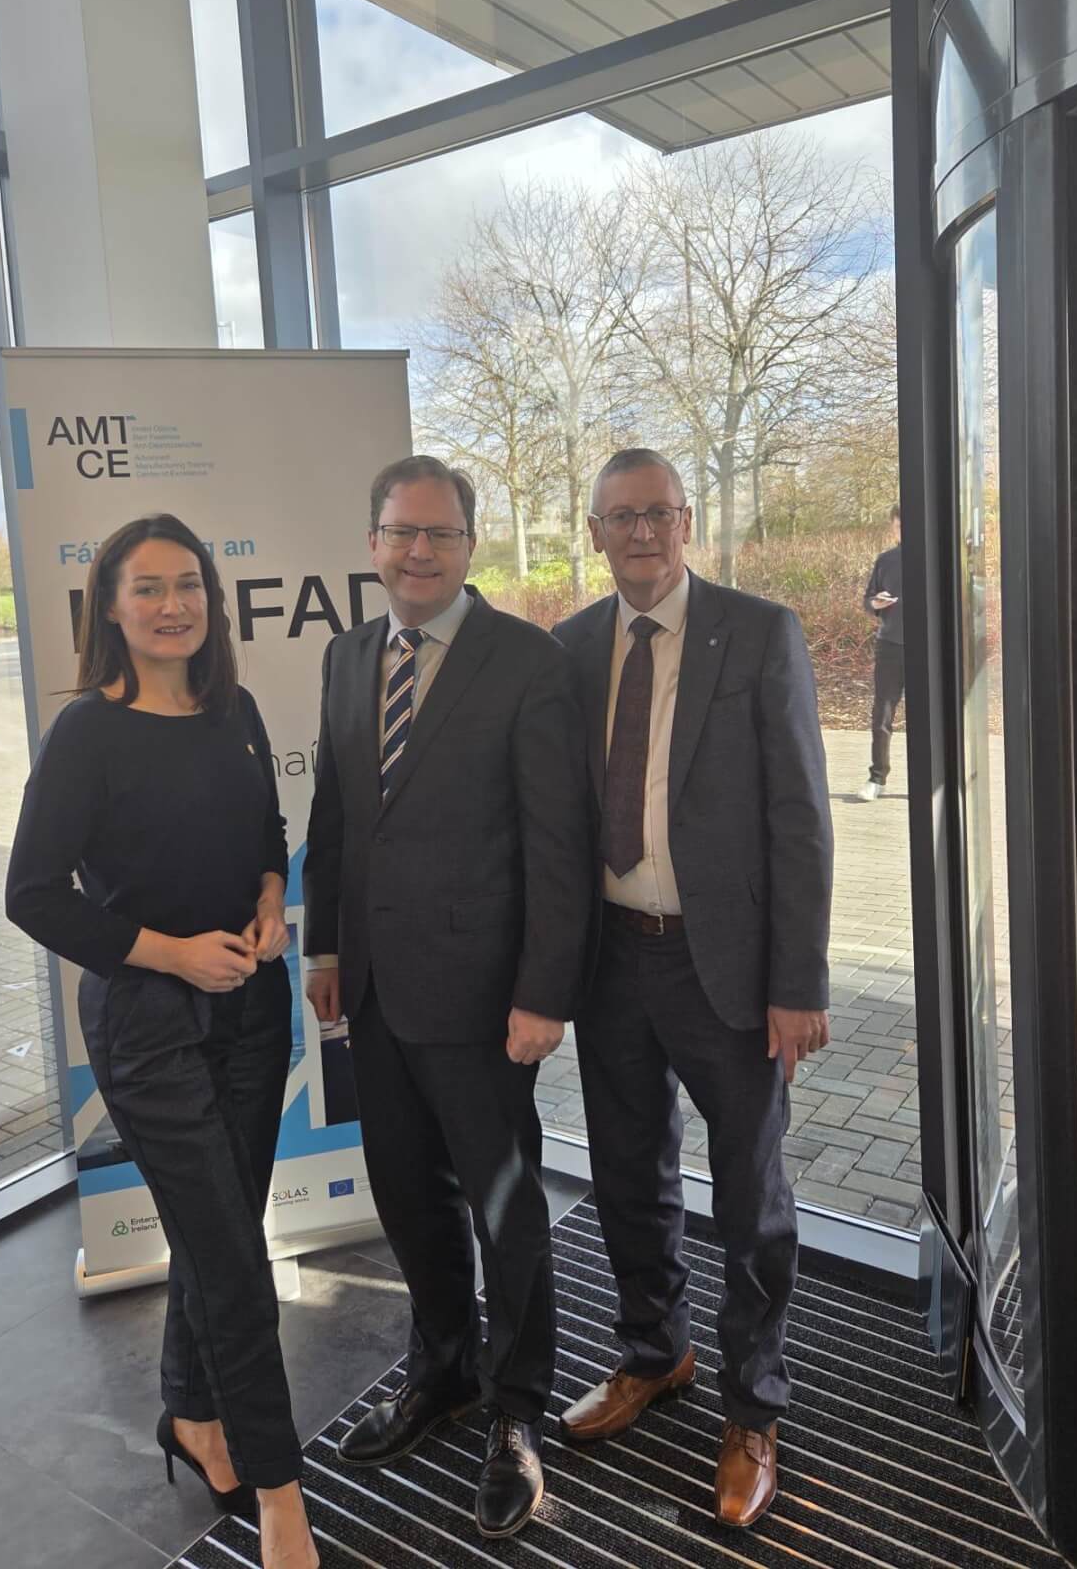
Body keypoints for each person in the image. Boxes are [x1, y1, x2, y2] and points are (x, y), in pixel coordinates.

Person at [5, 513, 316, 1569]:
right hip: (149, 1024)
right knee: (235, 1262)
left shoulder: (234, 709)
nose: (173, 604)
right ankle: (283, 1496)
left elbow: (268, 834)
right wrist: (171, 955)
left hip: (252, 1011)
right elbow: (33, 896)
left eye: (188, 585)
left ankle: (191, 1414)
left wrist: (273, 899)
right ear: (112, 607)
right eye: (148, 589)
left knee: (216, 1230)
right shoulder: (87, 732)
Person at [302, 455, 592, 1541]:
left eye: (439, 533)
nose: (417, 552)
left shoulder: (526, 660)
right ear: (373, 541)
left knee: (505, 1208)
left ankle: (516, 1413)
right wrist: (324, 947)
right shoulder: (345, 656)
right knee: (407, 1199)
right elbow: (335, 817)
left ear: (472, 544)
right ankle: (444, 1372)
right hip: (373, 992)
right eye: (398, 532)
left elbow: (557, 848)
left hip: (484, 1002)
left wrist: (542, 994)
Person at [552, 448, 833, 1530]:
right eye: (619, 517)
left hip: (729, 967)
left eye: (658, 513)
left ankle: (753, 1409)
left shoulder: (759, 633)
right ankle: (652, 1354)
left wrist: (797, 980)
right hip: (613, 958)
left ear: (686, 522)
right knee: (628, 1174)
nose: (641, 533)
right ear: (594, 532)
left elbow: (801, 818)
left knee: (751, 1199)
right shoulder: (572, 649)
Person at [859, 503, 903, 801]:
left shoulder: (935, 555)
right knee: (882, 714)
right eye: (898, 525)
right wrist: (876, 603)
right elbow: (867, 600)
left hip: (927, 648)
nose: (901, 530)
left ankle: (930, 780)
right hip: (889, 645)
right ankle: (877, 778)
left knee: (929, 717)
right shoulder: (885, 560)